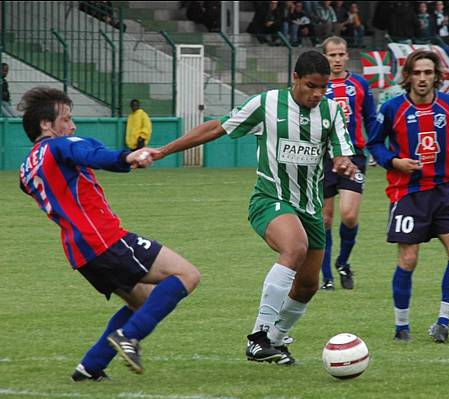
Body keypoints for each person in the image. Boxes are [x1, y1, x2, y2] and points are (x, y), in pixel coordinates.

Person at [151, 50, 358, 364]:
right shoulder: (266, 104)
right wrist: (164, 151)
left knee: (307, 286)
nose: (318, 94)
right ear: (296, 79)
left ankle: (275, 340)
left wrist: (343, 162)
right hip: (270, 199)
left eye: (323, 88)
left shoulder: (332, 111)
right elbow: (215, 128)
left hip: (310, 207)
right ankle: (259, 336)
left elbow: (343, 152)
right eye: (312, 86)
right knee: (295, 247)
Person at [17, 87, 200, 380]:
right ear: (45, 125)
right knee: (187, 275)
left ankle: (90, 367)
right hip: (103, 239)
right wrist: (128, 157)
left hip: (80, 253)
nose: (72, 126)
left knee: (141, 301)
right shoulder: (57, 147)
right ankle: (130, 336)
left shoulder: (26, 169)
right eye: (66, 119)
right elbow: (89, 152)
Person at [367, 50, 449, 344]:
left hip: (442, 192)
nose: (422, 79)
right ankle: (402, 326)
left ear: (436, 76)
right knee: (409, 259)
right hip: (408, 193)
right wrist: (394, 161)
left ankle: (443, 322)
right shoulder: (392, 109)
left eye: (428, 73)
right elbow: (375, 143)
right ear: (408, 76)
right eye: (417, 73)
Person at [319, 36, 376, 291]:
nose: (338, 59)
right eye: (332, 55)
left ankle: (343, 262)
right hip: (323, 158)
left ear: (347, 55)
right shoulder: (317, 84)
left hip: (354, 156)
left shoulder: (360, 84)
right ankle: (327, 277)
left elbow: (371, 119)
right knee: (325, 220)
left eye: (341, 54)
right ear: (325, 57)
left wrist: (377, 148)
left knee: (349, 216)